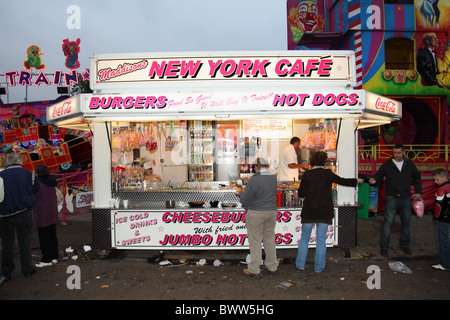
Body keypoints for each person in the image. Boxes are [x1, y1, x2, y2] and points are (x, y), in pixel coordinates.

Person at [296, 151, 362, 273]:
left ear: (312, 161)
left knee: (304, 238)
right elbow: (343, 181)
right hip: (324, 210)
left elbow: (301, 193)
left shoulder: (307, 175)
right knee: (321, 240)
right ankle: (319, 268)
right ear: (324, 161)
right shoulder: (328, 174)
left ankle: (300, 264)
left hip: (309, 211)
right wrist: (357, 181)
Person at [369, 144, 422, 257]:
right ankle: (384, 247)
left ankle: (404, 245)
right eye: (394, 152)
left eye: (399, 153)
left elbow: (417, 177)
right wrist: (375, 180)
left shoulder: (409, 164)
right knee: (388, 222)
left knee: (406, 222)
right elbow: (379, 175)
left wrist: (418, 192)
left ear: (403, 152)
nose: (396, 155)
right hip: (391, 198)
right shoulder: (387, 164)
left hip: (406, 198)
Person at [0, 153, 39, 287]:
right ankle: (27, 269)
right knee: (24, 241)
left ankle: (6, 272)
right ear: (20, 161)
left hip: (5, 214)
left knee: (7, 244)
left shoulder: (1, 176)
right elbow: (35, 189)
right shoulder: (28, 174)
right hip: (24, 212)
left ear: (7, 162)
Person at [239, 157, 278, 278]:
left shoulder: (255, 179)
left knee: (255, 241)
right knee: (269, 239)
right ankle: (272, 266)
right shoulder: (273, 177)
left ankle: (254, 269)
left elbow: (246, 199)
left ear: (256, 167)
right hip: (271, 212)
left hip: (256, 212)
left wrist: (240, 192)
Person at [33, 164, 59, 268]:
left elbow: (33, 197)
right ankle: (54, 256)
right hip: (52, 212)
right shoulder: (51, 182)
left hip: (41, 213)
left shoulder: (37, 184)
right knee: (52, 235)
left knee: (44, 238)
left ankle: (47, 258)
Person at [431, 169, 450, 271]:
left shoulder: (442, 189)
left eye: (437, 180)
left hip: (443, 219)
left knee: (443, 241)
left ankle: (445, 264)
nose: (435, 182)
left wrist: (435, 217)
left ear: (444, 178)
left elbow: (439, 206)